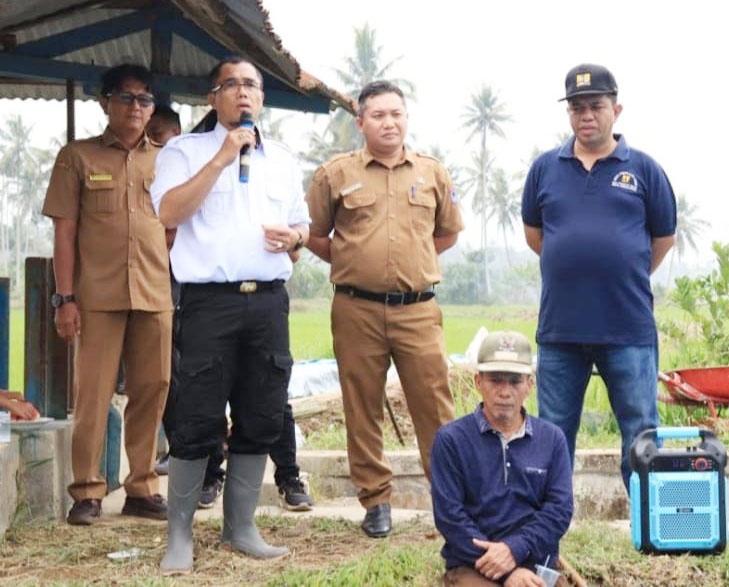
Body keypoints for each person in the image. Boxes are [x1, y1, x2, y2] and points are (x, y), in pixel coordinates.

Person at [151, 55, 310, 574]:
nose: (243, 94)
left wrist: (297, 239)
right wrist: (221, 157)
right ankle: (180, 535)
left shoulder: (284, 159)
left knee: (263, 412)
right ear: (213, 96)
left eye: (252, 86)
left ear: (262, 98)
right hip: (207, 303)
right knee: (196, 416)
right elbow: (168, 213)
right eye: (232, 85)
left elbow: (301, 228)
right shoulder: (185, 151)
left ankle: (240, 527)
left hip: (267, 301)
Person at [306, 80, 464, 537]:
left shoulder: (432, 173)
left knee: (435, 406)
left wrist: (411, 263)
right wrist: (358, 261)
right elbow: (316, 234)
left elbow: (447, 234)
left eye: (396, 113)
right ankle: (376, 500)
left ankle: (449, 500)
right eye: (378, 115)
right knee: (362, 406)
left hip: (417, 310)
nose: (388, 122)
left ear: (406, 117)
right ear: (360, 122)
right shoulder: (334, 174)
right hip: (356, 309)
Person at [521, 64, 676, 488]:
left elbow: (662, 238)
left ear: (616, 109)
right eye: (576, 107)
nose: (586, 115)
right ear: (568, 113)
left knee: (641, 431)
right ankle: (549, 529)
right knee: (552, 434)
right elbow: (537, 236)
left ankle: (649, 525)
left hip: (627, 326)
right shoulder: (544, 169)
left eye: (596, 106)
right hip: (560, 329)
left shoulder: (644, 170)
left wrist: (622, 270)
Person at [42, 63, 173, 526]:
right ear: (105, 102)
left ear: (152, 107)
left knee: (151, 391)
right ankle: (87, 491)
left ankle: (141, 487)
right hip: (96, 296)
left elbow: (177, 228)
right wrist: (65, 298)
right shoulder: (77, 157)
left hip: (155, 295)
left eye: (144, 99)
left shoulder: (168, 159)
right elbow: (64, 233)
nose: (135, 107)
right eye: (126, 97)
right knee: (93, 395)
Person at [432, 331, 573, 587]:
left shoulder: (552, 439)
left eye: (515, 381)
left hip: (535, 565)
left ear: (529, 385)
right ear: (478, 381)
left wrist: (515, 550)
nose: (504, 392)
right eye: (495, 380)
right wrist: (506, 570)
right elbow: (450, 517)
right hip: (474, 565)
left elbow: (558, 511)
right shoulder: (451, 440)